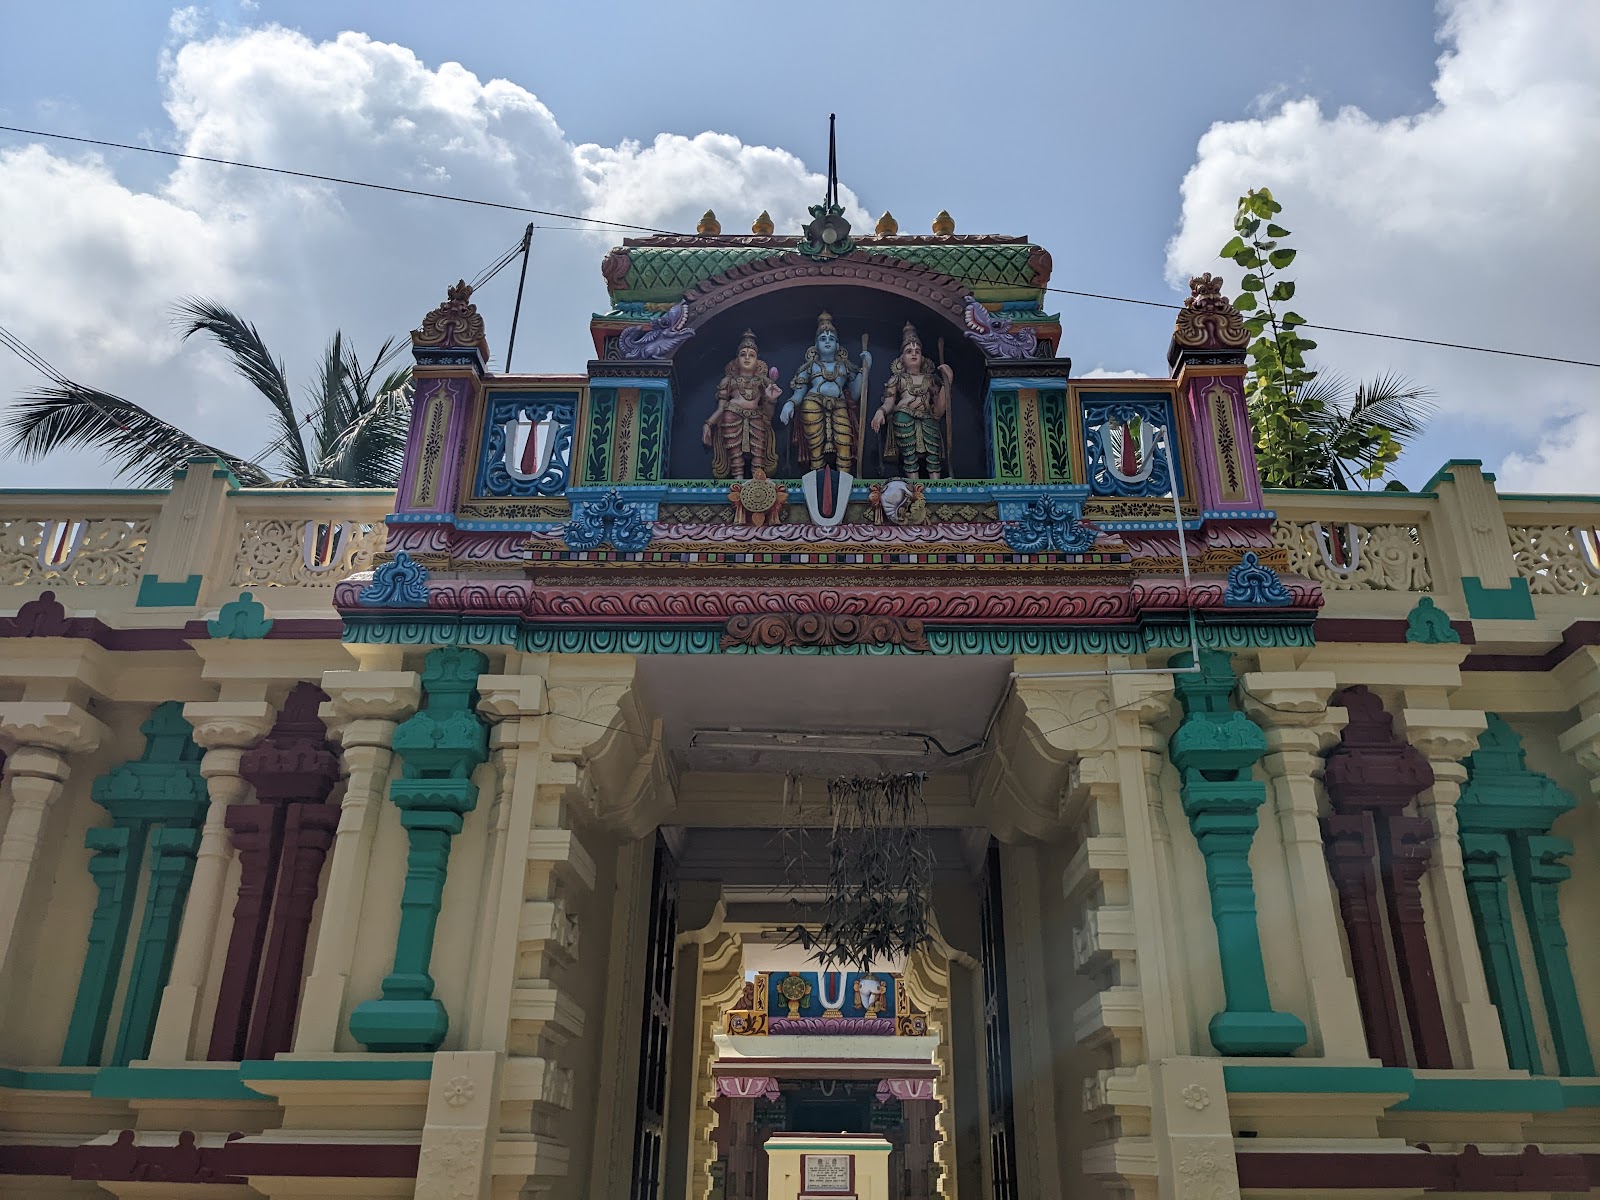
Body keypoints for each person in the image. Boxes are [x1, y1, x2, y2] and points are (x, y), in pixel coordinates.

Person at [781, 311, 870, 473]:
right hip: (812, 404)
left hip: (840, 404)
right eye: (823, 339)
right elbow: (799, 393)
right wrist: (790, 404)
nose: (827, 341)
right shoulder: (809, 366)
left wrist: (864, 371)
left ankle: (844, 482)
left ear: (837, 345)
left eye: (831, 339)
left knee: (845, 443)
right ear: (816, 346)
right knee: (815, 447)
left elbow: (855, 395)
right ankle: (817, 480)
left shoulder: (845, 366)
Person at [872, 322, 952, 479]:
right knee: (909, 452)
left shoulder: (930, 380)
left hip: (927, 418)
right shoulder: (897, 379)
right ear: (902, 358)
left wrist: (947, 382)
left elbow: (938, 410)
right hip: (904, 416)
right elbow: (889, 402)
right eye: (909, 351)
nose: (914, 354)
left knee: (933, 449)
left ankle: (936, 483)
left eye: (917, 351)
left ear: (922, 357)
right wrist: (880, 412)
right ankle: (913, 483)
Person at [702, 330, 781, 479]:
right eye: (743, 354)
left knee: (759, 450)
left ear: (757, 361)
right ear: (736, 360)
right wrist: (708, 424)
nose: (747, 358)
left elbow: (768, 416)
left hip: (757, 417)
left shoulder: (763, 382)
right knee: (734, 451)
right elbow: (721, 408)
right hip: (731, 415)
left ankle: (758, 478)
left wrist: (770, 400)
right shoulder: (728, 381)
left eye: (752, 355)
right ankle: (737, 478)